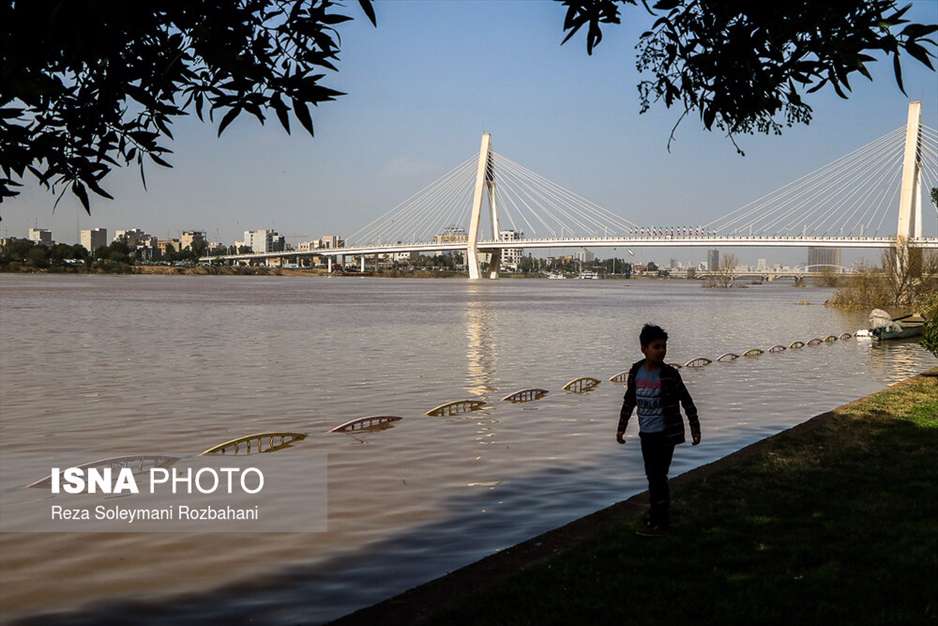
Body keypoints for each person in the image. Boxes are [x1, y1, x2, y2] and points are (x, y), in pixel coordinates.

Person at [616, 324, 701, 535]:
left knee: (657, 476)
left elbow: (686, 400)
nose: (661, 350)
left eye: (664, 346)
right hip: (646, 434)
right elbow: (629, 401)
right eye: (656, 346)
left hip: (666, 434)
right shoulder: (636, 371)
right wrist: (621, 427)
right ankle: (658, 515)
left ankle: (660, 521)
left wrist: (695, 428)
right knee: (653, 476)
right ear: (644, 348)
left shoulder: (670, 374)